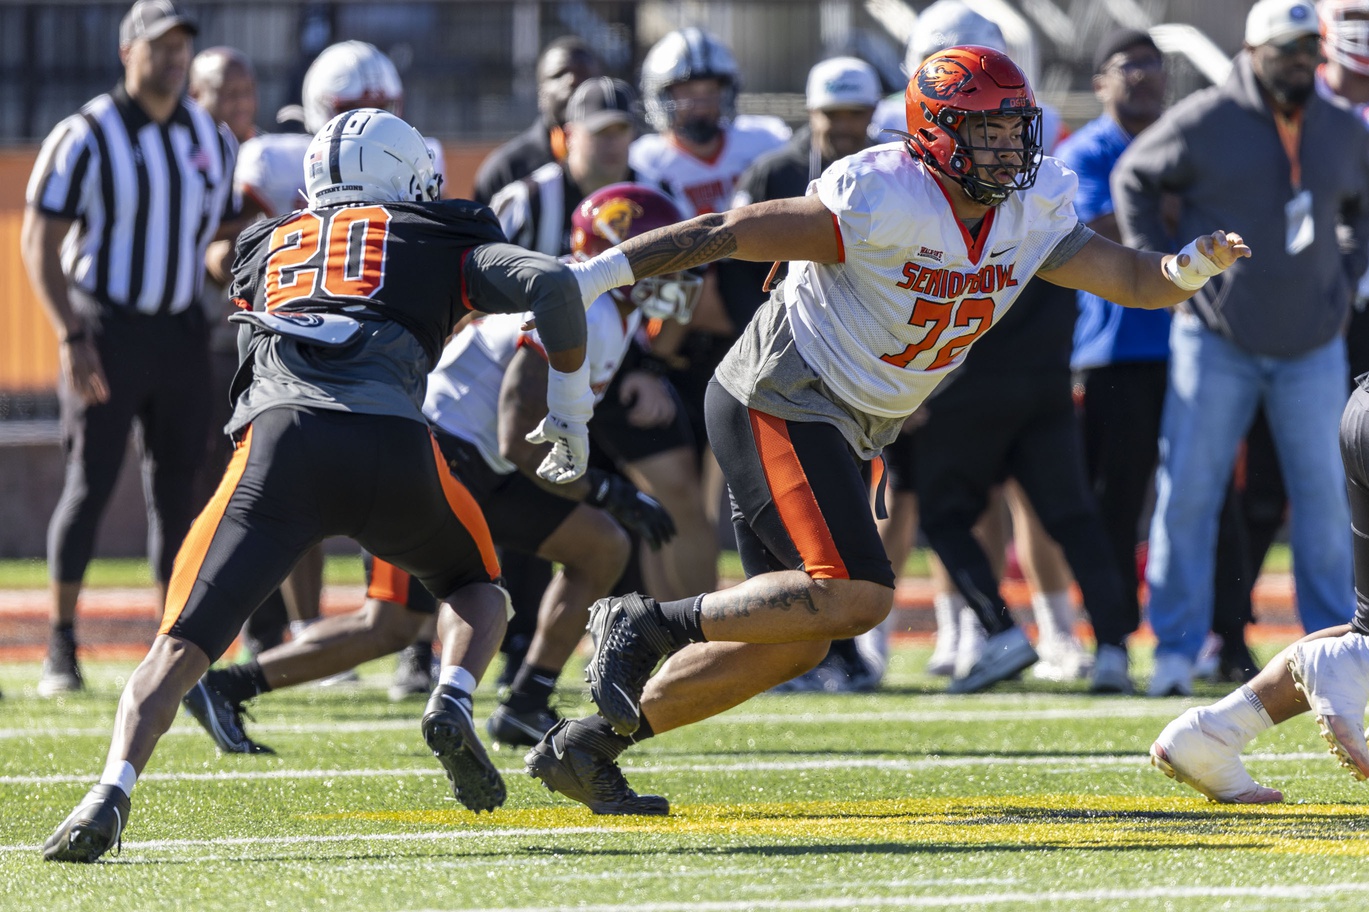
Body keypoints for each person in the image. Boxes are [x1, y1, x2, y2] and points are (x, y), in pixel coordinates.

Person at [523, 45, 1250, 815]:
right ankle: (644, 621)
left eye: (1015, 132)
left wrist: (1186, 270)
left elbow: (1134, 281)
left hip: (849, 421)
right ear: (935, 133)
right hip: (782, 393)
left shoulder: (1029, 207)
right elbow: (726, 231)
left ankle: (588, 745)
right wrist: (595, 276)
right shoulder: (884, 196)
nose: (1010, 150)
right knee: (858, 597)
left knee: (799, 637)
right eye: (988, 134)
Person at [41, 109, 594, 863]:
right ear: (408, 178)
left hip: (280, 450)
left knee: (176, 646)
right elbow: (554, 283)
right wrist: (567, 409)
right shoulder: (435, 232)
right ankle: (452, 695)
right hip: (396, 445)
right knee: (477, 590)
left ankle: (109, 791)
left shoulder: (263, 245)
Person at [180, 183, 695, 756]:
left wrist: (606, 495)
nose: (671, 272)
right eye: (660, 257)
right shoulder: (589, 304)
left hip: (480, 459)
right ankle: (228, 684)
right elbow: (514, 428)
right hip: (440, 451)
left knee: (600, 546)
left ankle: (526, 702)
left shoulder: (611, 312)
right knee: (393, 624)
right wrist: (606, 489)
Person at [1114, 0, 1368, 697]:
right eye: (1285, 50)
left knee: (1323, 500)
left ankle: (1334, 655)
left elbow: (1361, 206)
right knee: (1187, 494)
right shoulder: (1204, 120)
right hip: (1215, 337)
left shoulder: (1341, 129)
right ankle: (1173, 650)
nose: (1300, 62)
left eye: (1306, 51)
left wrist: (1343, 278)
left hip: (1311, 343)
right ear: (1252, 50)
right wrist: (1160, 271)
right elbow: (1133, 177)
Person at [21, 0, 237, 698]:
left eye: (182, 47)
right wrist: (70, 334)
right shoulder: (85, 132)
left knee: (181, 493)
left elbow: (215, 232)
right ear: (128, 52)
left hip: (179, 330)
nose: (173, 58)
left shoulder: (209, 135)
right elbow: (39, 242)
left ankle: (169, 644)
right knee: (90, 484)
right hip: (105, 327)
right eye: (159, 46)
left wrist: (227, 261)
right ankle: (60, 642)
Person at [231, 39, 445, 670]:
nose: (372, 123)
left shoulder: (417, 154)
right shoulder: (275, 160)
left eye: (384, 108)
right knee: (296, 496)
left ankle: (413, 640)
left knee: (405, 494)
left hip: (386, 349)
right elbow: (231, 248)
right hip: (298, 348)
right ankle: (306, 631)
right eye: (357, 107)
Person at [722, 56, 891, 693]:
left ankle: (818, 648)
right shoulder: (774, 172)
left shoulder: (889, 176)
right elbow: (735, 269)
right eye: (833, 113)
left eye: (855, 113)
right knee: (771, 515)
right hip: (776, 364)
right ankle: (798, 648)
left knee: (834, 510)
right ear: (811, 114)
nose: (845, 126)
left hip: (854, 370)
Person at [1148, 374, 1369, 801]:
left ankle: (1214, 732)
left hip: (1362, 407)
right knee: (1361, 647)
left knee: (1366, 633)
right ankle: (1354, 661)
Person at [1055, 28, 1170, 693]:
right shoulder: (1082, 152)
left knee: (1204, 500)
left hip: (1191, 343)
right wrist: (1159, 211)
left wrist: (1141, 217)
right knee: (1116, 503)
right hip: (1114, 351)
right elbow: (1089, 235)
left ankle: (1223, 637)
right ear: (1099, 80)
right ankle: (1112, 641)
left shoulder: (1185, 139)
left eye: (1152, 67)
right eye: (1128, 67)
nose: (1143, 77)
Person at [472, 37, 603, 207]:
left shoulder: (625, 160)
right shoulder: (508, 169)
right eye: (559, 75)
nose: (572, 80)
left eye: (584, 73)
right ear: (540, 93)